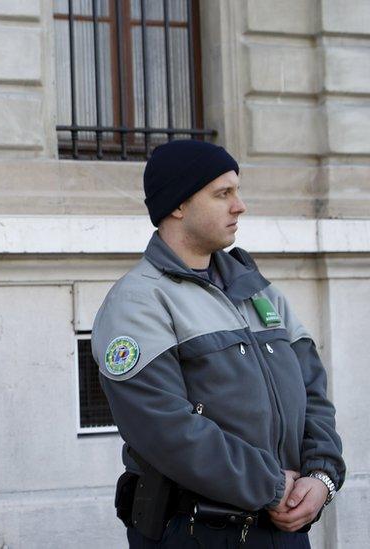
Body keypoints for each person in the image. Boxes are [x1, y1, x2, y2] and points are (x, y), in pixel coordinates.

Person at [92, 140, 345, 548]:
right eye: (223, 193)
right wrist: (270, 486)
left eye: (237, 191)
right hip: (195, 533)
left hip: (284, 528)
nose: (239, 205)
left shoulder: (260, 292)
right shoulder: (139, 301)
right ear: (178, 204)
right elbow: (164, 428)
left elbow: (313, 393)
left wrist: (321, 477)